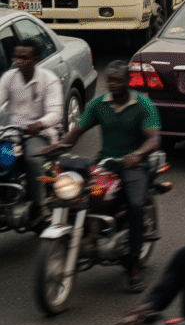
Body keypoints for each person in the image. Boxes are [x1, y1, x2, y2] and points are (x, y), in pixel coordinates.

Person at [45, 61, 161, 289]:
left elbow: (154, 138)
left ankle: (134, 264)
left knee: (136, 206)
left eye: (119, 80)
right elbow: (76, 132)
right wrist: (56, 147)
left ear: (128, 81)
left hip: (134, 165)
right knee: (69, 194)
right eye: (110, 80)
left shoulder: (143, 104)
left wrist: (137, 155)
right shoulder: (100, 104)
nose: (114, 84)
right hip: (105, 162)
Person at [0, 36, 62, 222]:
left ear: (35, 59)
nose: (18, 61)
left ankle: (40, 206)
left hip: (40, 134)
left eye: (24, 57)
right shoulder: (9, 78)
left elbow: (56, 112)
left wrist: (40, 124)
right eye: (16, 57)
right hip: (12, 133)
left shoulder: (48, 80)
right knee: (4, 158)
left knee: (33, 159)